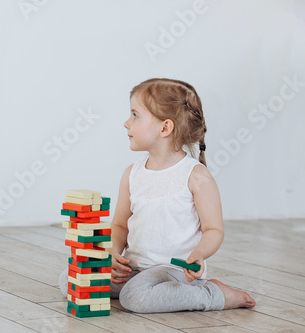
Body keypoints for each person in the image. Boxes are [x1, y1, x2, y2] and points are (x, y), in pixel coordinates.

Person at [59, 78, 256, 313]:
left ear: (165, 128)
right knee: (72, 277)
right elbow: (120, 224)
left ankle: (214, 294)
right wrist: (111, 253)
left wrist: (199, 255)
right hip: (134, 268)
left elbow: (214, 229)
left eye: (135, 115)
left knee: (135, 297)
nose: (126, 123)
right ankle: (142, 290)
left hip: (172, 270)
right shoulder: (132, 174)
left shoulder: (196, 176)